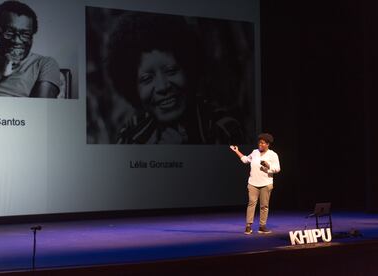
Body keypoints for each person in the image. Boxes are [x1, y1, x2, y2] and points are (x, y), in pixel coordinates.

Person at [106, 12, 245, 144]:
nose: (162, 86)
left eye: (171, 71)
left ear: (189, 68)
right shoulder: (130, 135)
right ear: (132, 88)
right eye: (147, 78)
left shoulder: (223, 127)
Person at [0, 0, 60, 98]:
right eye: (9, 32)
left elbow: (42, 107)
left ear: (32, 36)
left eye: (25, 34)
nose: (17, 41)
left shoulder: (44, 64)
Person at [230, 133, 281, 234]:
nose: (260, 145)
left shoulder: (273, 154)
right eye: (259, 143)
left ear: (268, 144)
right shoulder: (254, 152)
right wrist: (237, 151)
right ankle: (248, 226)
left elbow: (278, 169)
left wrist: (268, 166)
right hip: (253, 183)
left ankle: (262, 226)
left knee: (264, 206)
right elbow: (246, 160)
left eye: (262, 143)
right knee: (251, 204)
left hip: (266, 183)